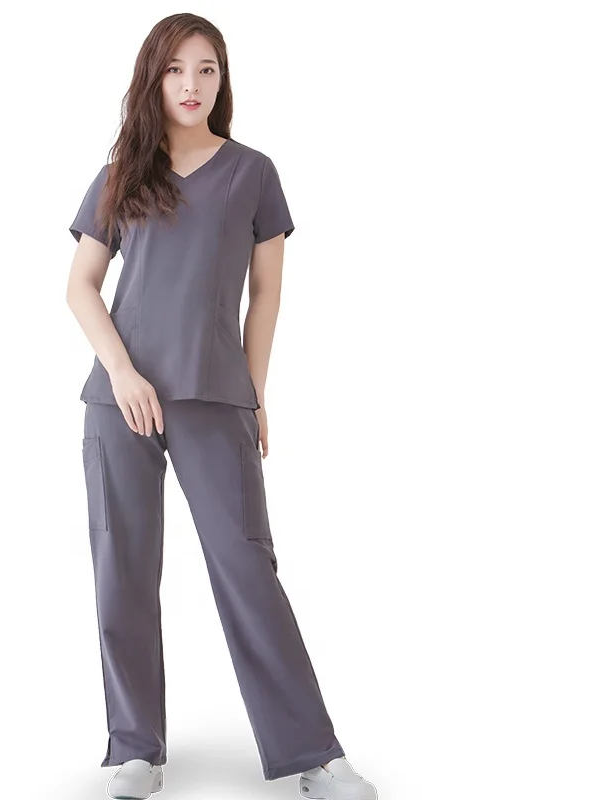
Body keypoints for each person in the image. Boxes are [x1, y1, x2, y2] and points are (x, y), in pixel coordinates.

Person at [66, 13, 379, 800]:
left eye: (206, 69)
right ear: (153, 78)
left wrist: (255, 392)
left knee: (247, 567)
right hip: (121, 401)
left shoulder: (253, 173)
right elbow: (81, 287)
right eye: (176, 69)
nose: (192, 84)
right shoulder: (121, 173)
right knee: (121, 568)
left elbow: (265, 294)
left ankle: (314, 755)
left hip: (214, 396)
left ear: (222, 79)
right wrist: (122, 373)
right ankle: (134, 750)